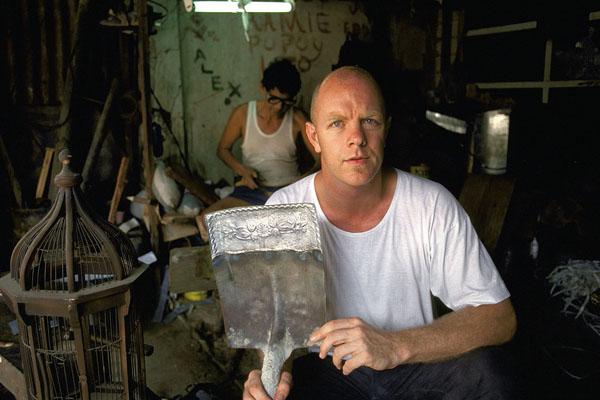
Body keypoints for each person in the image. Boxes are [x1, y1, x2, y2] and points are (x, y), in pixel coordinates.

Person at [242, 66, 518, 400]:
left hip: (415, 362)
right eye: (337, 123)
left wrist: (396, 345)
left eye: (369, 121)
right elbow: (273, 325)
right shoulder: (283, 209)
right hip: (333, 372)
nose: (356, 137)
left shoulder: (430, 204)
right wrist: (273, 374)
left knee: (488, 374)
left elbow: (500, 318)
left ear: (385, 129)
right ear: (314, 137)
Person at [197, 58, 319, 241]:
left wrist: (302, 182)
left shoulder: (298, 119)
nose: (279, 107)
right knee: (207, 222)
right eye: (274, 99)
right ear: (262, 88)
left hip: (289, 193)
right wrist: (242, 170)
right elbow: (222, 149)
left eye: (286, 102)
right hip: (252, 192)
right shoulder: (244, 114)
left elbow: (321, 160)